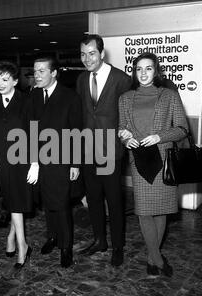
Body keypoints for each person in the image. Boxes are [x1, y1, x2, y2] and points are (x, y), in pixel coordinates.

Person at [118, 52, 188, 277]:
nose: (143, 73)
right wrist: (125, 136)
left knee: (161, 211)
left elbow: (182, 129)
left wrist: (160, 136)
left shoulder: (169, 95)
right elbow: (121, 128)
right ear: (134, 72)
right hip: (139, 159)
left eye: (148, 68)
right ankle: (158, 259)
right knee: (144, 211)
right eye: (139, 69)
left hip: (163, 158)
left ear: (156, 71)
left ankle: (151, 259)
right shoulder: (125, 98)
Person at [76, 34, 131, 267]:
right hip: (88, 149)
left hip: (111, 150)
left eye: (91, 53)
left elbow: (127, 114)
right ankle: (100, 240)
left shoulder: (121, 79)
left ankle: (118, 246)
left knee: (114, 200)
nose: (87, 59)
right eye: (82, 54)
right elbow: (82, 115)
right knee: (94, 199)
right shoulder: (80, 79)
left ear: (102, 53)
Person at [29, 56, 82, 268]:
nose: (37, 75)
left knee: (60, 204)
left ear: (53, 73)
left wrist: (75, 163)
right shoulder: (33, 95)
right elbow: (30, 128)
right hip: (39, 160)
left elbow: (77, 132)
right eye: (35, 71)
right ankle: (52, 237)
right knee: (46, 201)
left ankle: (66, 246)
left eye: (42, 71)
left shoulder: (70, 97)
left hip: (62, 159)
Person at [0, 60, 34, 270]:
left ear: (14, 81)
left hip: (21, 158)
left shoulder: (26, 101)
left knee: (16, 200)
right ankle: (14, 237)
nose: (1, 83)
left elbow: (34, 132)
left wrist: (35, 162)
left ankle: (21, 244)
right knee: (10, 200)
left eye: (5, 79)